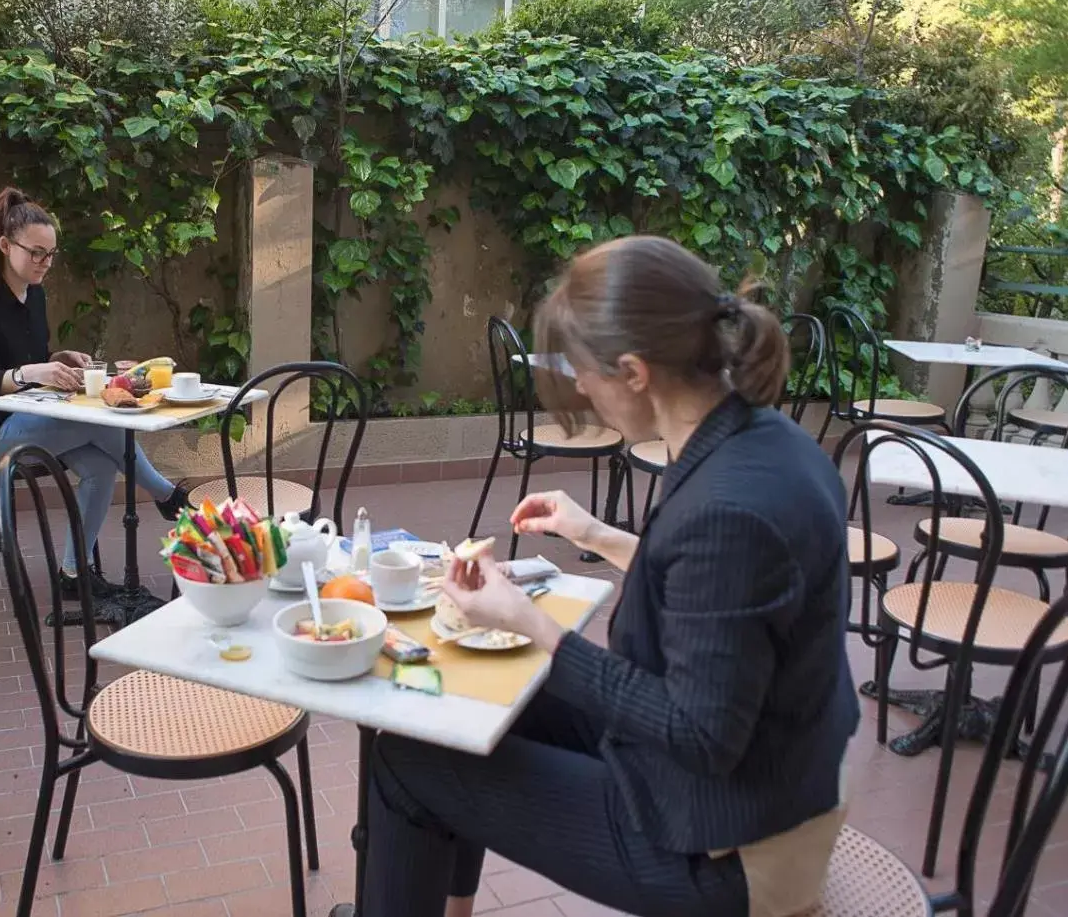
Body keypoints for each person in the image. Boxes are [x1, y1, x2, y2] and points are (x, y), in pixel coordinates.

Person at [364, 236, 859, 917]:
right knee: (452, 709)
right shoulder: (769, 441)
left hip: (729, 850)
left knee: (404, 765)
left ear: (632, 371)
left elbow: (700, 733)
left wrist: (529, 623)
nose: (578, 389)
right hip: (762, 788)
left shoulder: (727, 510)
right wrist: (593, 533)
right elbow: (717, 593)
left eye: (580, 373)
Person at [0, 187, 189, 602]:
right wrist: (30, 372)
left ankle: (73, 574)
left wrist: (56, 359)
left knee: (99, 467)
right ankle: (167, 495)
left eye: (51, 254)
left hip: (31, 419)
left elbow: (29, 358)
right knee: (96, 416)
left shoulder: (34, 295)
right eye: (35, 252)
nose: (44, 263)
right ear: (5, 246)